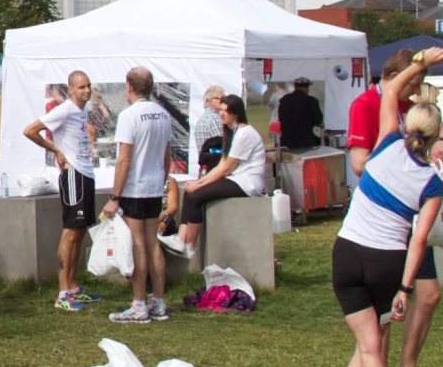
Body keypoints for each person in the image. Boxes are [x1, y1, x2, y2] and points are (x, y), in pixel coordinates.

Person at [328, 52, 443, 367]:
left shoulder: (386, 144)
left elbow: (391, 88)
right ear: (436, 137)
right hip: (385, 261)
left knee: (366, 347)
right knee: (372, 348)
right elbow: (418, 239)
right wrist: (406, 289)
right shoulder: (431, 182)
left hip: (345, 253)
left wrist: (419, 63)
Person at [103, 67, 173, 323]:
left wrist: (114, 196)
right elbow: (167, 157)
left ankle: (139, 304)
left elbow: (124, 160)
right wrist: (161, 180)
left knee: (138, 244)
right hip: (154, 186)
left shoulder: (129, 115)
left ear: (129, 87)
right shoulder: (163, 115)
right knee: (152, 242)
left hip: (134, 188)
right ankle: (159, 302)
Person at [24, 72, 97, 311]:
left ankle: (73, 286)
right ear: (71, 90)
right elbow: (30, 130)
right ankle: (63, 293)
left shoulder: (81, 111)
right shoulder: (64, 110)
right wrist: (55, 150)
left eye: (88, 86)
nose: (87, 90)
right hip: (73, 174)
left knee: (80, 230)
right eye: (82, 87)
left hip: (86, 173)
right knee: (70, 231)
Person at [160, 94, 266, 261]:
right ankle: (181, 239)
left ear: (236, 114)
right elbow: (221, 164)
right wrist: (198, 182)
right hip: (236, 178)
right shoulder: (232, 133)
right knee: (190, 192)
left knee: (195, 195)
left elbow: (225, 168)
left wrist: (199, 185)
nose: (221, 114)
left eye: (226, 111)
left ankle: (190, 246)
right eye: (221, 110)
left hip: (247, 183)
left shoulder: (244, 133)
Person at [277, 76, 324, 152]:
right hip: (305, 143)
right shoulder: (311, 101)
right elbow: (319, 122)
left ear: (295, 87)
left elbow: (280, 119)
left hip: (287, 142)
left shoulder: (284, 100)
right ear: (307, 87)